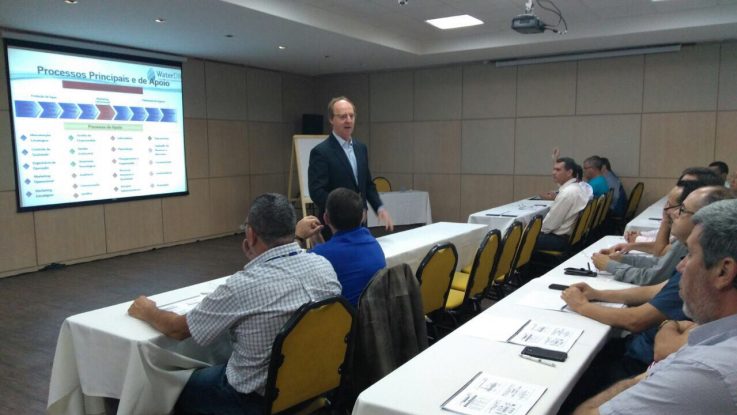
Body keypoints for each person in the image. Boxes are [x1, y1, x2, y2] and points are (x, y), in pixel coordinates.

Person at [128, 193, 341, 415]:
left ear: (251, 234)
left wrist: (149, 311)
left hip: (254, 400)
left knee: (170, 385)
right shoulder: (324, 266)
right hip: (314, 385)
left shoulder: (244, 285)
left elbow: (177, 330)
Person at [562, 186, 734, 412]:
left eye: (691, 255)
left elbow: (639, 322)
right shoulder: (719, 334)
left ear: (723, 272)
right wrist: (597, 294)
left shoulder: (706, 371)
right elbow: (656, 290)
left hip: (637, 361)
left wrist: (582, 305)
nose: (681, 266)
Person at [308, 97, 393, 236]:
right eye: (343, 116)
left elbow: (367, 184)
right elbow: (317, 192)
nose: (348, 120)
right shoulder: (321, 152)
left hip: (360, 224)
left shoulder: (361, 148)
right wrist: (348, 210)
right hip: (335, 227)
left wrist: (379, 207)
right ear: (331, 119)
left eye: (351, 116)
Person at [300, 188, 386, 306]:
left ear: (325, 218)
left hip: (349, 316)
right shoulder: (372, 242)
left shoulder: (319, 255)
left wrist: (298, 237)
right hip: (375, 313)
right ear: (363, 216)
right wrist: (317, 238)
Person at [534, 157, 589, 251]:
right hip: (573, 238)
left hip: (560, 240)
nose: (553, 173)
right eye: (553, 169)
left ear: (569, 172)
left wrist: (532, 230)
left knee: (518, 239)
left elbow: (549, 226)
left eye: (558, 170)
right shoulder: (577, 188)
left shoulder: (567, 193)